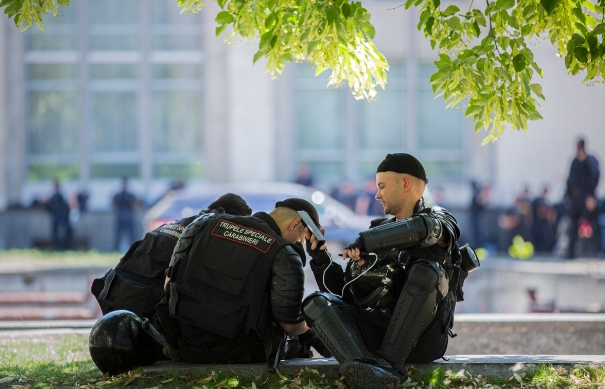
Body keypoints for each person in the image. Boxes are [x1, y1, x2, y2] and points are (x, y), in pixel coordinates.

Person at [302, 153, 474, 389]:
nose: (377, 194)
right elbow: (343, 297)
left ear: (405, 184)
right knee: (317, 303)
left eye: (382, 186)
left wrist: (366, 241)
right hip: (378, 329)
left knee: (427, 272)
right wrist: (320, 257)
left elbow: (424, 229)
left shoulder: (440, 219)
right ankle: (365, 370)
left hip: (424, 339)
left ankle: (386, 367)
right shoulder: (378, 231)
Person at [156, 198, 330, 367]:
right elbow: (290, 323)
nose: (298, 244)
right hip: (237, 352)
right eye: (300, 239)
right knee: (300, 334)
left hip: (186, 343)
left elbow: (170, 281)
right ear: (295, 224)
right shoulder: (283, 252)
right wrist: (308, 326)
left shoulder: (205, 223)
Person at [92, 193, 254, 321]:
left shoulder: (173, 224)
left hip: (115, 303)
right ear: (225, 213)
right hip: (144, 312)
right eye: (237, 223)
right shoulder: (209, 236)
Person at [565, 138, 600, 258]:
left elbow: (594, 178)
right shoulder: (575, 161)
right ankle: (571, 253)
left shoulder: (590, 161)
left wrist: (591, 196)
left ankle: (598, 251)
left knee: (591, 224)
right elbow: (569, 179)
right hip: (575, 198)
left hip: (586, 198)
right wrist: (567, 195)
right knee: (573, 225)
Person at [112, 177, 141, 252]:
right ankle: (116, 249)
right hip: (120, 217)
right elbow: (114, 205)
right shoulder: (118, 195)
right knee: (118, 235)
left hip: (129, 217)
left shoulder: (131, 195)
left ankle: (133, 250)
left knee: (132, 235)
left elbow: (136, 205)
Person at [44, 180, 73, 249]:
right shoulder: (54, 197)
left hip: (62, 218)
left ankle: (62, 246)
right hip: (56, 217)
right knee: (55, 233)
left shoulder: (60, 197)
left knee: (62, 233)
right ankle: (57, 246)